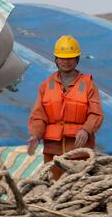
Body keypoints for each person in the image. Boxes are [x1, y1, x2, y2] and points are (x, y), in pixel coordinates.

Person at [26, 35, 103, 179]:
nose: (66, 62)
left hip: (79, 151)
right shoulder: (46, 86)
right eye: (62, 58)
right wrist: (35, 136)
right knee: (54, 188)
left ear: (77, 59)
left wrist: (86, 130)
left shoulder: (88, 85)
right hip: (52, 151)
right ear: (56, 59)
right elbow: (38, 115)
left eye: (70, 58)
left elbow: (96, 113)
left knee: (76, 187)